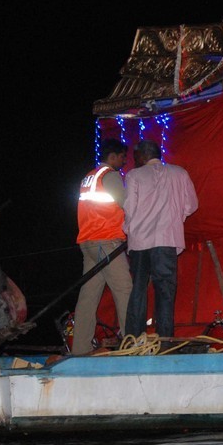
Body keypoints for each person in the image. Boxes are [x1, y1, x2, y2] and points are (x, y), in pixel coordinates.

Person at [123, 140, 198, 339]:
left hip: (140, 241)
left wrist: (127, 229)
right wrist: (177, 216)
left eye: (135, 156)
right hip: (167, 240)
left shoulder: (133, 175)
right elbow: (192, 204)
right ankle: (164, 340)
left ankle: (135, 340)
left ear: (141, 156)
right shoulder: (179, 173)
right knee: (165, 291)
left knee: (138, 289)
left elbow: (129, 208)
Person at [72, 139, 133, 354]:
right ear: (114, 156)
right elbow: (127, 204)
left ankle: (80, 348)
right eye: (123, 157)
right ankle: (131, 344)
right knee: (124, 290)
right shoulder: (110, 176)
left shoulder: (88, 177)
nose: (124, 161)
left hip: (88, 242)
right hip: (106, 242)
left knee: (88, 296)